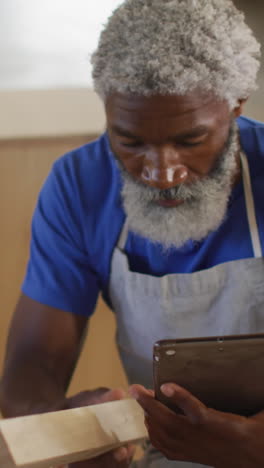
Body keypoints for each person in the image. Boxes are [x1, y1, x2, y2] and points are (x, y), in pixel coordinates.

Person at [0, 0, 263, 466]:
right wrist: (62, 428)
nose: (161, 173)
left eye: (190, 140)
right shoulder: (79, 185)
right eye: (131, 141)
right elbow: (34, 361)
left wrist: (254, 446)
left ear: (236, 107)